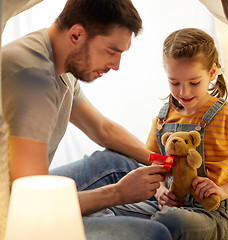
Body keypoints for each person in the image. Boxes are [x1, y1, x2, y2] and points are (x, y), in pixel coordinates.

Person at [1, 0, 172, 239]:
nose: (116, 65)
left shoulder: (60, 62)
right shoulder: (32, 78)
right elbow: (33, 202)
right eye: (111, 51)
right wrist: (117, 194)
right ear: (77, 34)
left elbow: (103, 130)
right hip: (10, 210)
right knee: (156, 234)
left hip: (28, 189)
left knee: (118, 163)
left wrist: (164, 161)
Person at [111, 28, 228, 239]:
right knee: (106, 210)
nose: (183, 92)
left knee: (171, 222)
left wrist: (223, 191)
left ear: (211, 73)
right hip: (164, 207)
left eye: (194, 83)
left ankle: (150, 230)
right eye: (174, 82)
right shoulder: (162, 119)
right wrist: (160, 191)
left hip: (209, 213)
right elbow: (154, 164)